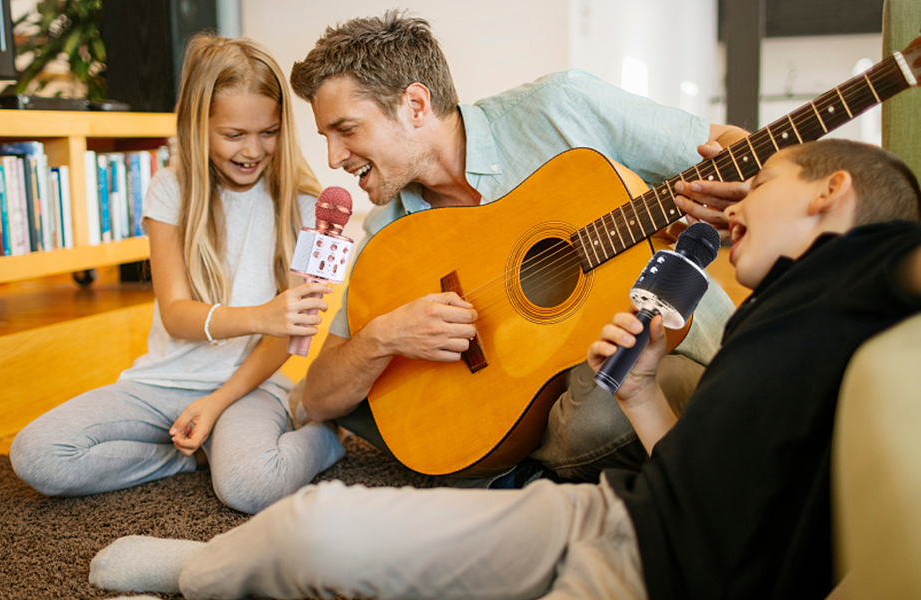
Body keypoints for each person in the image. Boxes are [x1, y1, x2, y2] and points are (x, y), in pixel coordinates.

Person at [89, 138, 921, 600]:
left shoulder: (870, 273)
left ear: (829, 192)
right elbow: (723, 495)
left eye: (762, 182)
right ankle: (201, 574)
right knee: (317, 528)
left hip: (652, 582)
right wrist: (638, 397)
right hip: (607, 514)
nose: (734, 203)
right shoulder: (776, 308)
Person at [286, 11, 748, 482]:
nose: (333, 158)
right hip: (545, 397)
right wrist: (385, 337)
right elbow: (318, 394)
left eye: (347, 130)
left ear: (416, 105)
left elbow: (731, 144)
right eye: (327, 137)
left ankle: (498, 471)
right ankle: (501, 454)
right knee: (383, 397)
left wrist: (735, 196)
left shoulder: (559, 106)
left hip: (671, 357)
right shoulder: (390, 233)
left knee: (600, 414)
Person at [9, 34, 346, 515]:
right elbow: (177, 316)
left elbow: (285, 337)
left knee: (249, 487)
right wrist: (261, 316)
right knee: (38, 455)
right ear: (197, 125)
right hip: (158, 385)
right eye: (233, 135)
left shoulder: (306, 206)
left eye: (267, 132)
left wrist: (216, 403)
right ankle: (188, 458)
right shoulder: (170, 191)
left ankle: (323, 439)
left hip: (248, 387)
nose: (253, 150)